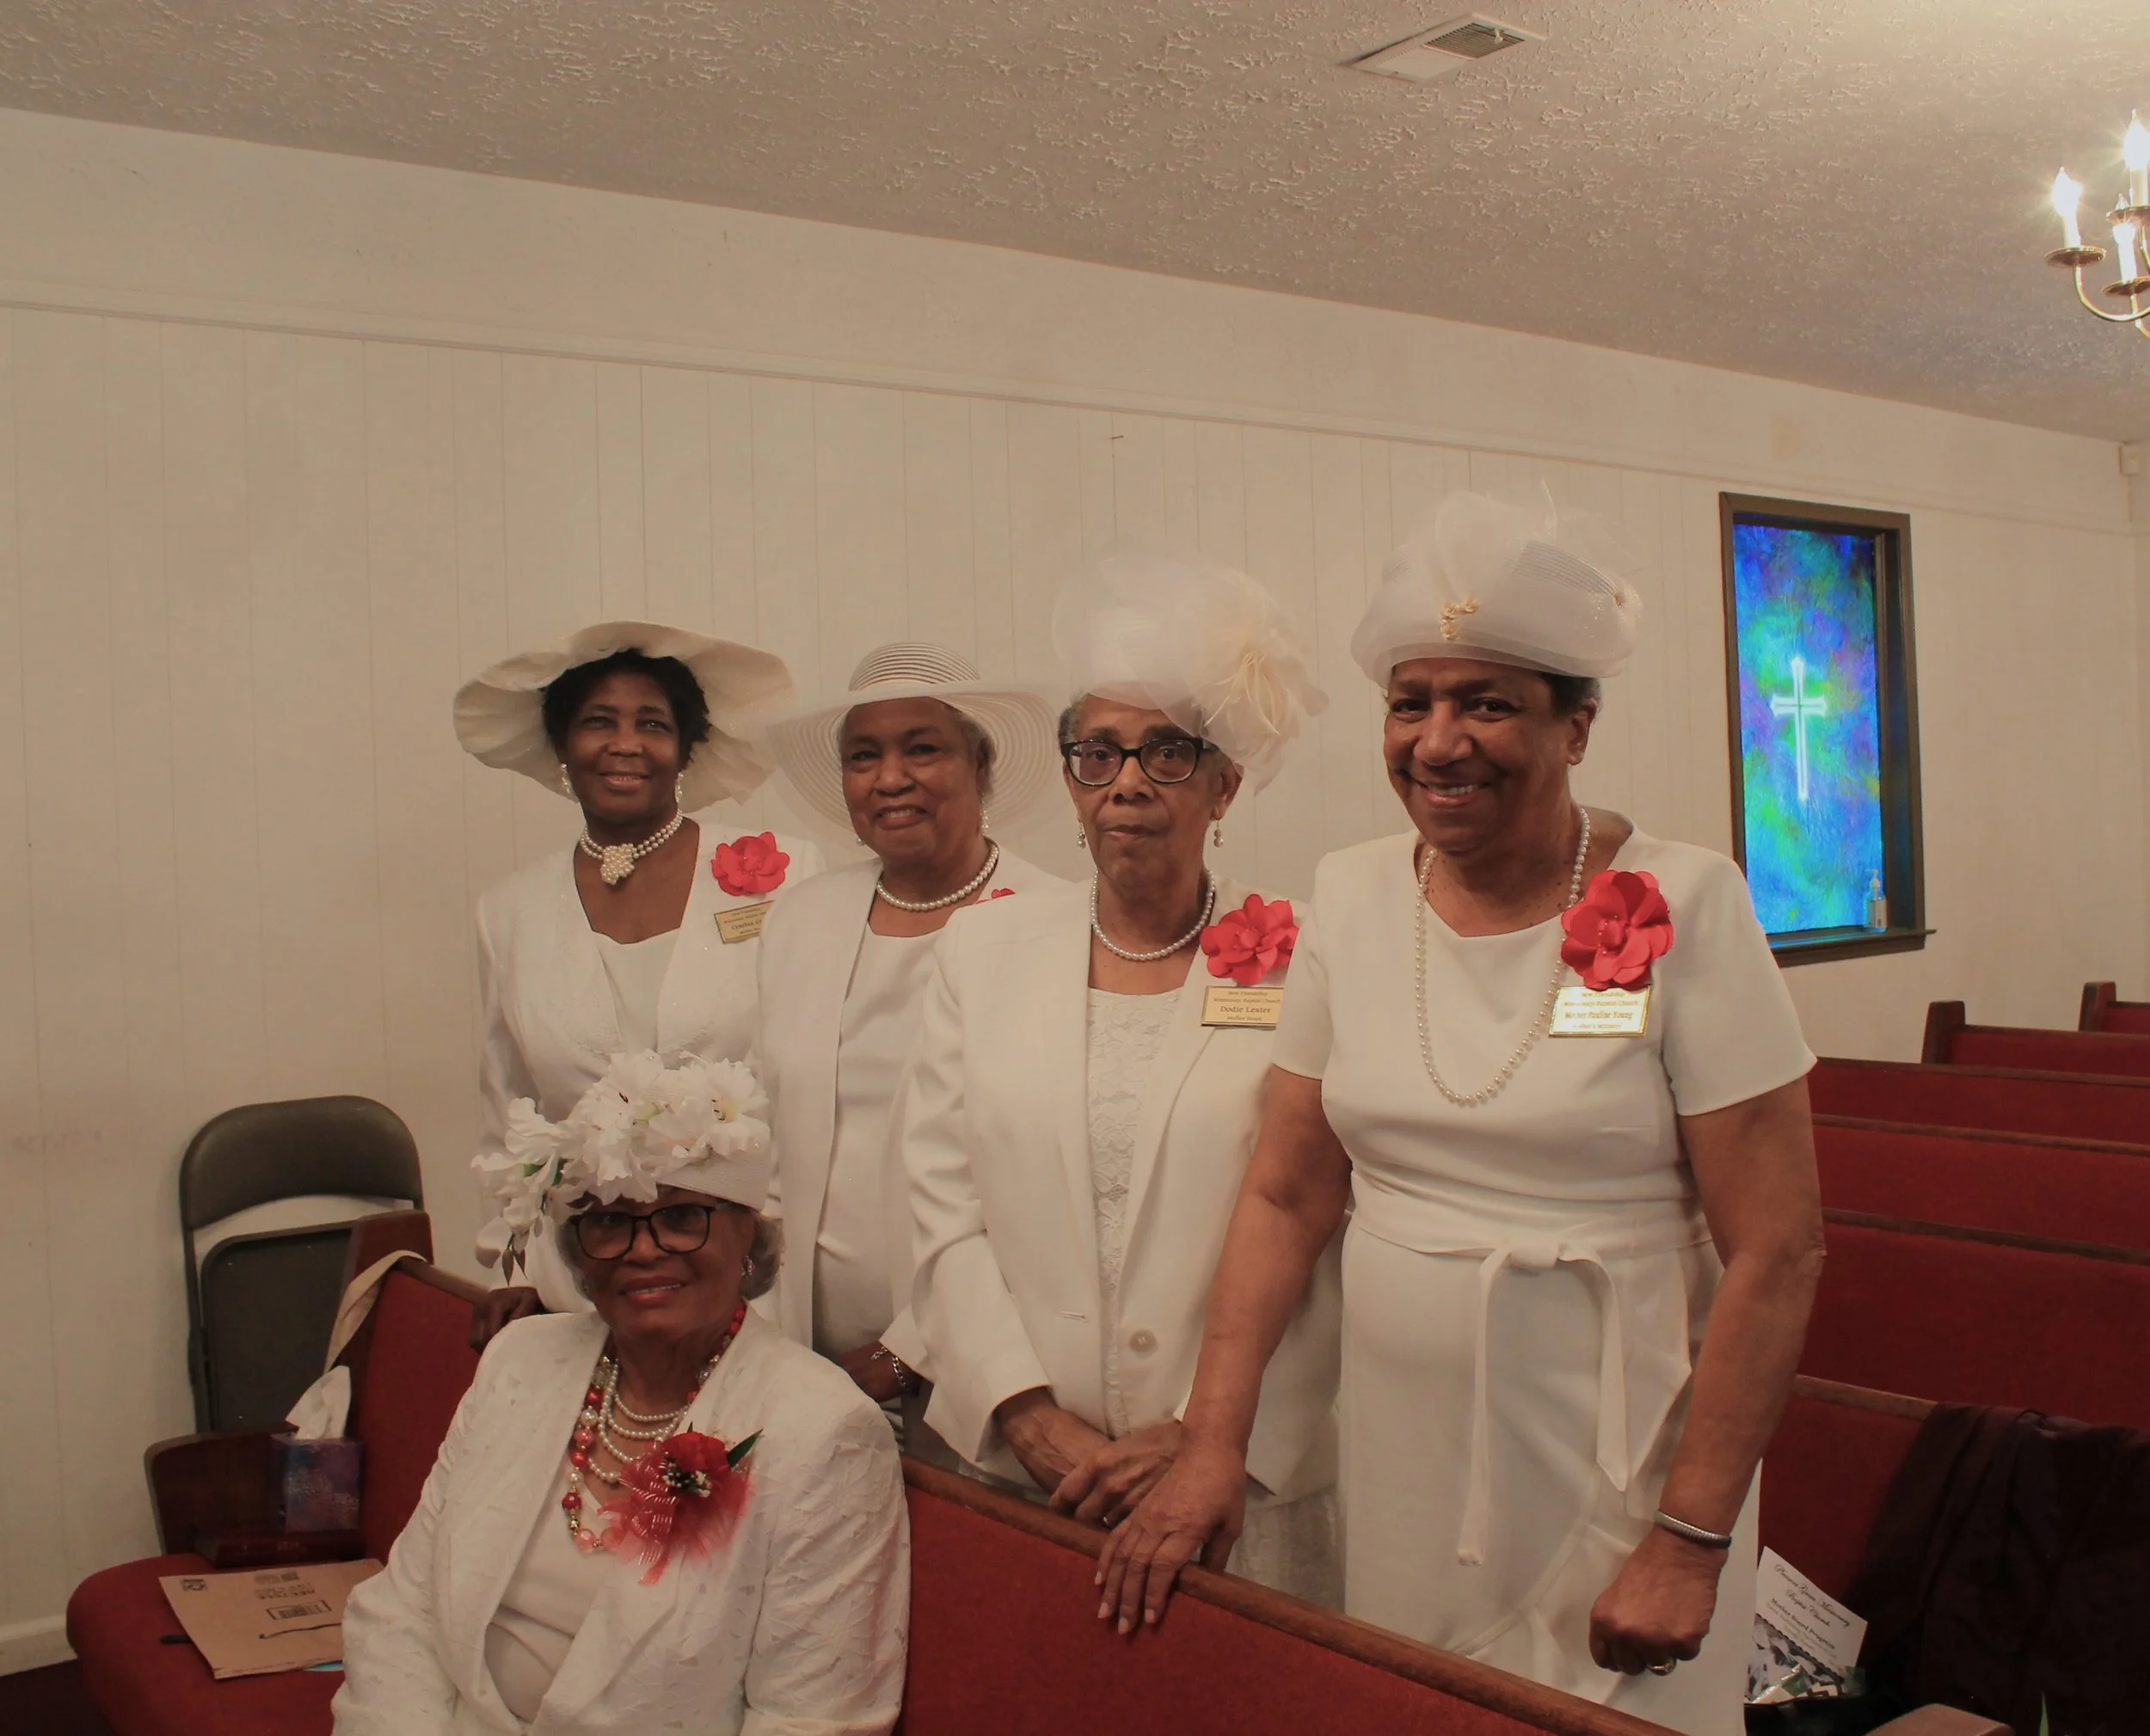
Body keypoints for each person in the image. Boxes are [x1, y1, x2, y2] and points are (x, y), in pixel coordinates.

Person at [1096, 492, 1825, 1735]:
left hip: (1621, 1461)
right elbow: (1286, 1191)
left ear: (1575, 724)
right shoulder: (1352, 893)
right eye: (1410, 703)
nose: (1438, 743)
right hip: (1403, 1450)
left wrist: (1691, 1537)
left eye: (1486, 703)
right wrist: (1213, 1438)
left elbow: (1779, 1247)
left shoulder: (1689, 901)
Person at [899, 549, 1343, 1605]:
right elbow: (938, 1208)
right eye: (1097, 754)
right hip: (1018, 1474)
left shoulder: (1308, 956)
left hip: (1233, 1479)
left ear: (1225, 782)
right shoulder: (980, 951)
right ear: (1069, 779)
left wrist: (1206, 1432)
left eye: (1166, 753)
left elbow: (1324, 1224)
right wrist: (1021, 1412)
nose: (1128, 782)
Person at [335, 1052, 907, 1735]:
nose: (643, 1249)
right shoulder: (521, 1361)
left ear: (748, 1232)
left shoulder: (821, 1430)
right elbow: (405, 1611)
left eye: (682, 1215)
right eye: (609, 1221)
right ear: (577, 1249)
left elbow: (811, 1722)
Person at [454, 622, 824, 1332]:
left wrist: (770, 1245)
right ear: (562, 746)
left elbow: (813, 1088)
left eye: (652, 724)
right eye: (599, 722)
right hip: (584, 1280)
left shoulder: (785, 874)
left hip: (758, 1275)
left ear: (686, 748)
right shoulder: (508, 911)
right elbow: (508, 1109)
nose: (625, 743)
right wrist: (514, 1264)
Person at [753, 644, 1066, 1420]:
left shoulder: (1053, 925)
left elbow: (1050, 1179)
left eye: (922, 749)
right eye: (864, 756)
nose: (890, 778)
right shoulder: (803, 915)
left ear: (981, 766)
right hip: (800, 1355)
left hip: (988, 1362)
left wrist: (913, 1351)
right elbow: (770, 1138)